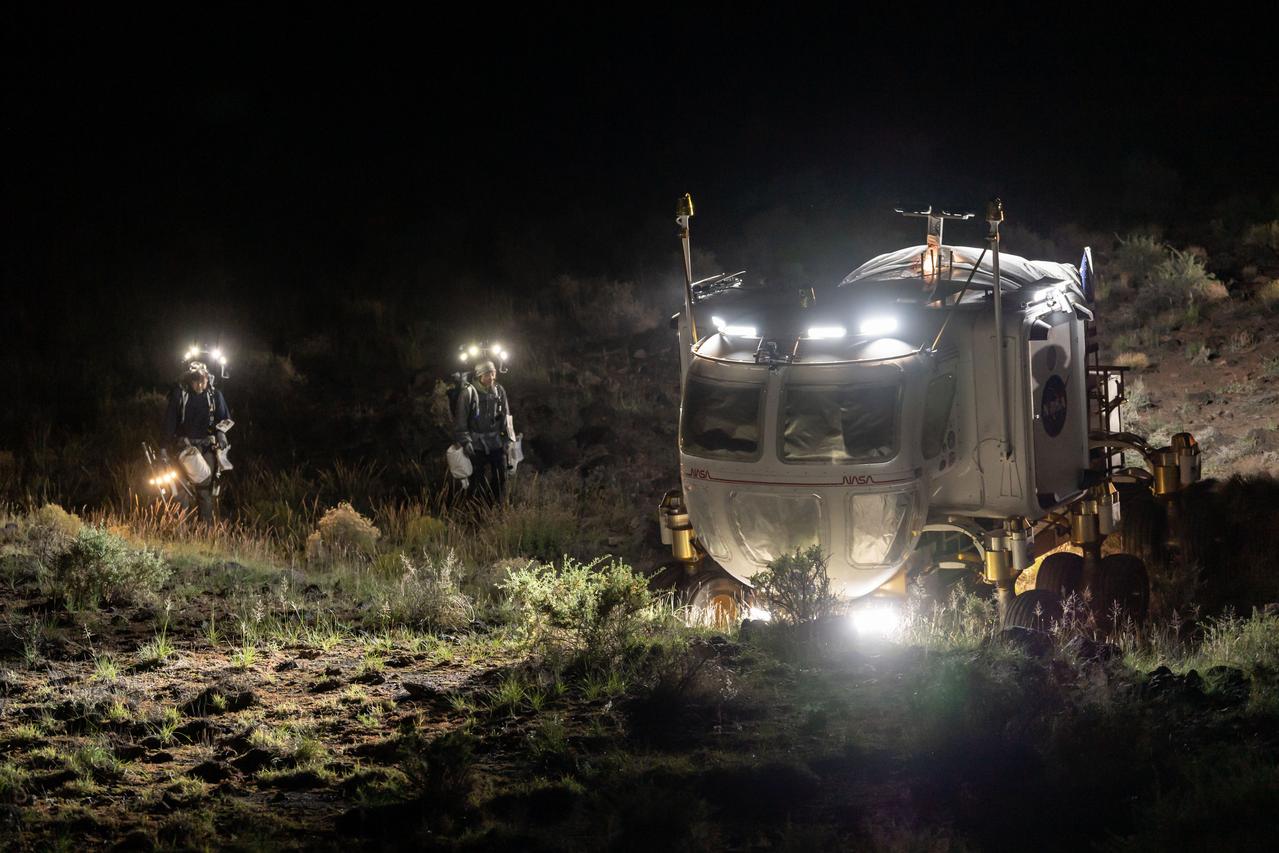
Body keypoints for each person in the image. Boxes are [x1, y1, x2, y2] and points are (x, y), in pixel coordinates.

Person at [162, 362, 231, 522]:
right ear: (189, 380)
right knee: (180, 488)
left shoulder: (215, 396)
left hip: (207, 446)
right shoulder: (180, 394)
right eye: (196, 380)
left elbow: (225, 419)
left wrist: (221, 433)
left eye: (203, 380)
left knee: (204, 489)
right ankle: (179, 529)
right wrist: (163, 447)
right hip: (183, 447)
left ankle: (204, 532)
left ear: (208, 379)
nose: (199, 384)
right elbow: (170, 422)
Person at [453, 359, 514, 503]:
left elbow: (505, 417)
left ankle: (494, 505)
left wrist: (507, 440)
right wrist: (466, 442)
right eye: (487, 374)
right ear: (479, 376)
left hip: (496, 442)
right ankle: (475, 510)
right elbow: (461, 422)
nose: (491, 378)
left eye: (493, 374)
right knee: (476, 481)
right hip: (476, 445)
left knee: (500, 477)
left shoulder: (499, 391)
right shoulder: (468, 393)